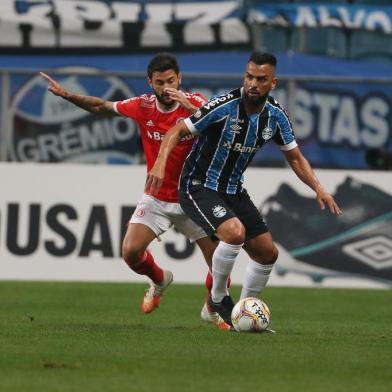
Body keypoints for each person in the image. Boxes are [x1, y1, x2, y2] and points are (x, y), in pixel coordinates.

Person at [146, 52, 343, 326]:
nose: (253, 83)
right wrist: (159, 163)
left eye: (261, 79)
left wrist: (319, 189)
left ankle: (243, 311)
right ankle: (217, 300)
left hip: (233, 189)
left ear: (272, 83)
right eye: (249, 76)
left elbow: (295, 157)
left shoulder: (275, 117)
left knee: (267, 253)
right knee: (234, 232)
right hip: (198, 184)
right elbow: (176, 130)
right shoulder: (223, 105)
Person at [40, 53, 224, 322]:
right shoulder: (143, 106)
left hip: (193, 198)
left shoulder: (195, 103)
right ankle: (160, 280)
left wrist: (193, 108)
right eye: (160, 82)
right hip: (157, 198)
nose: (166, 88)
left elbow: (222, 127)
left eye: (171, 81)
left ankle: (214, 306)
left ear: (180, 79)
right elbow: (101, 106)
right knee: (130, 252)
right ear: (150, 82)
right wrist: (67, 95)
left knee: (220, 260)